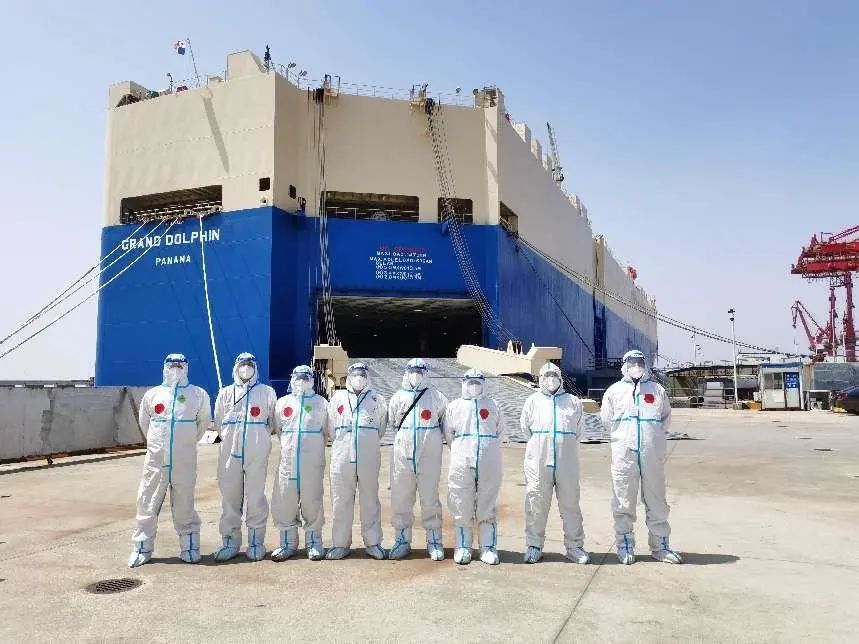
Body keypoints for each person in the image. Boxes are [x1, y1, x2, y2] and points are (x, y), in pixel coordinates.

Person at [127, 354, 211, 568]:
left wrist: (184, 442)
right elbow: (145, 424)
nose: (176, 368)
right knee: (147, 500)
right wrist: (158, 445)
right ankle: (142, 548)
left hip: (184, 460)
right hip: (156, 460)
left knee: (185, 503)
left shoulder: (197, 394)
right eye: (171, 365)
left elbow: (202, 425)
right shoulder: (153, 394)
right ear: (164, 367)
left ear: (186, 368)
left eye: (180, 365)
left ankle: (189, 547)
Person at [600, 349, 681, 565]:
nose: (636, 366)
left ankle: (660, 546)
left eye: (640, 362)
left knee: (656, 499)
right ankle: (625, 544)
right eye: (632, 363)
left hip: (651, 454)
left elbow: (665, 418)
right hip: (624, 454)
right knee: (623, 499)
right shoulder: (614, 392)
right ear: (624, 366)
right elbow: (607, 421)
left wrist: (651, 438)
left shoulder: (657, 390)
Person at [520, 362, 590, 565]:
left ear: (560, 378)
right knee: (536, 502)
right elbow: (525, 429)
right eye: (546, 375)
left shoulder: (573, 402)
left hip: (566, 461)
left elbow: (579, 431)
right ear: (540, 379)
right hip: (538, 461)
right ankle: (534, 545)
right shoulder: (532, 401)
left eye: (554, 375)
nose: (550, 379)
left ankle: (574, 547)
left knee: (570, 503)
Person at [212, 353, 278, 562]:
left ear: (255, 367)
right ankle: (230, 542)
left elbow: (273, 422)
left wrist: (258, 439)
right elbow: (219, 422)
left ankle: (256, 542)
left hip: (256, 450)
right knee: (230, 497)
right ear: (236, 367)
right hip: (230, 451)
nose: (246, 367)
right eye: (242, 364)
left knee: (256, 496)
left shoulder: (266, 392)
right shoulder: (225, 393)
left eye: (250, 364)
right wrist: (231, 438)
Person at [387, 358, 448, 560]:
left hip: (429, 454)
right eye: (413, 371)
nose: (416, 374)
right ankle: (402, 540)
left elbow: (445, 423)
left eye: (420, 371)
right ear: (406, 373)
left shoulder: (437, 397)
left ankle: (434, 541)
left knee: (430, 497)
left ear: (426, 373)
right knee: (401, 497)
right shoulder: (397, 397)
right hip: (403, 453)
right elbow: (393, 421)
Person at [326, 363, 388, 560]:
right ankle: (340, 544)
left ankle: (373, 542)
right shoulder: (338, 398)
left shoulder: (377, 399)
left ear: (367, 377)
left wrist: (365, 440)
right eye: (355, 374)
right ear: (349, 377)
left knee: (370, 499)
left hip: (368, 456)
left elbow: (381, 428)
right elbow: (330, 427)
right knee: (341, 500)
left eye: (362, 374)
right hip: (342, 456)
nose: (358, 378)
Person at [270, 365, 332, 561]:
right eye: (298, 377)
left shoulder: (321, 403)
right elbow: (279, 429)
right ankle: (287, 544)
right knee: (285, 500)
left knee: (312, 501)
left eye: (306, 377)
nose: (302, 381)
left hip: (312, 463)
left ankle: (314, 543)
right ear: (292, 379)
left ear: (312, 380)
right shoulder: (282, 403)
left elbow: (327, 432)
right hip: (288, 462)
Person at [445, 369, 505, 565]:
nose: (474, 386)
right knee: (461, 502)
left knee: (487, 502)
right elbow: (449, 434)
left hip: (489, 460)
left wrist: (488, 448)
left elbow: (500, 431)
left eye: (477, 383)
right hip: (462, 460)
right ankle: (463, 546)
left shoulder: (493, 405)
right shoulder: (454, 406)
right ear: (464, 384)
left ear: (483, 384)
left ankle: (488, 547)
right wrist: (462, 449)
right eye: (470, 382)